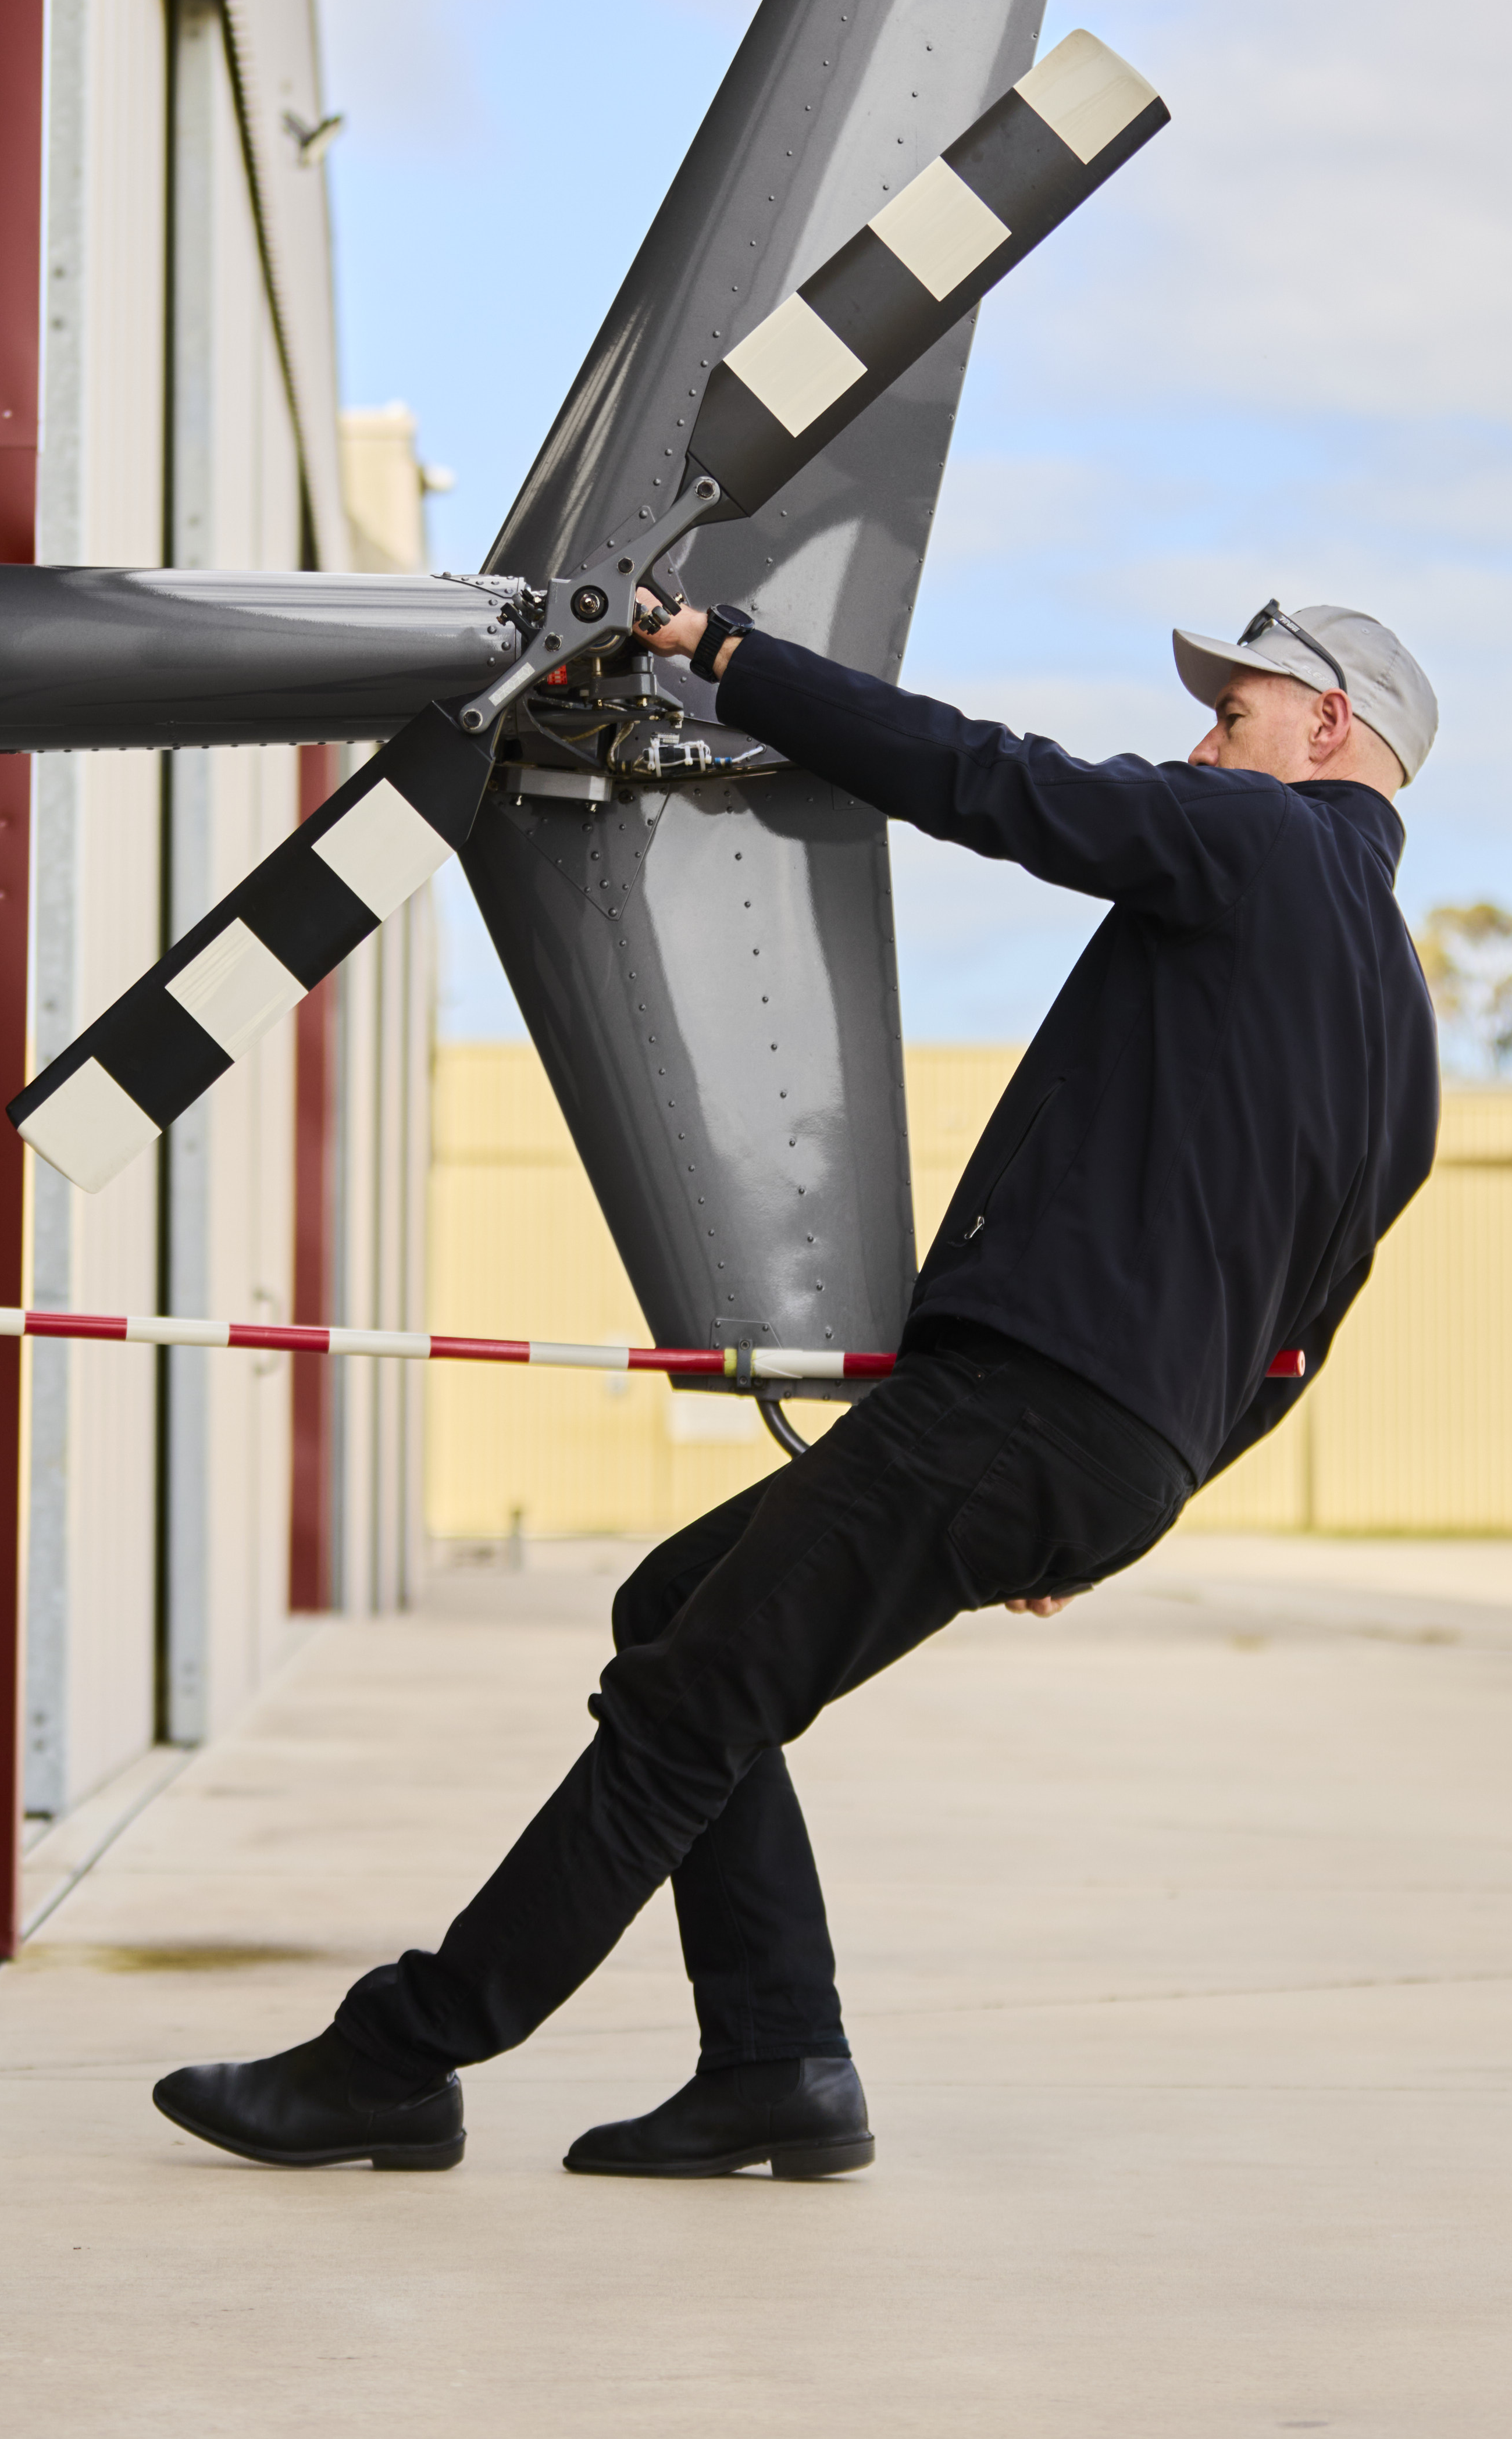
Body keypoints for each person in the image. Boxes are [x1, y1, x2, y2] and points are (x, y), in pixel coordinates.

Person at [152, 594, 1442, 2180]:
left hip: (1025, 1406)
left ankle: (401, 2059)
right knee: (677, 1610)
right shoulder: (1405, 1037)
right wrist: (1144, 1491)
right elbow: (1305, 1334)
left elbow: (993, 781)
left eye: (1232, 717)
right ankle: (778, 2061)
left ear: (1328, 729)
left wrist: (730, 655)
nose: (1202, 745)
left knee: (686, 1709)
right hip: (1106, 1448)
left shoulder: (1261, 842)